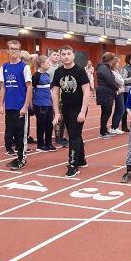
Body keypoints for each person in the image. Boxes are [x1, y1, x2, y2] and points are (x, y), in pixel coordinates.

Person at [51, 45, 90, 177]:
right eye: (63, 54)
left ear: (73, 55)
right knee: (75, 133)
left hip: (78, 107)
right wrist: (57, 112)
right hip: (66, 107)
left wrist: (82, 112)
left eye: (68, 54)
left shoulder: (80, 71)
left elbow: (86, 91)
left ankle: (73, 164)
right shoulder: (58, 72)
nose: (66, 56)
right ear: (60, 56)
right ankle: (81, 160)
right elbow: (55, 92)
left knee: (73, 135)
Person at [0, 40, 32, 169]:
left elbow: (29, 87)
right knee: (11, 131)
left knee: (21, 134)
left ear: (20, 51)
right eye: (11, 49)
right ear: (7, 50)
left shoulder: (24, 67)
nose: (14, 51)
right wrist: (1, 105)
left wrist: (25, 106)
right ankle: (17, 157)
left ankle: (22, 159)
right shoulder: (4, 67)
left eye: (16, 49)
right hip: (9, 106)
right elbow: (3, 87)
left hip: (20, 107)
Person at [31, 55, 56, 152]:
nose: (49, 65)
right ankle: (40, 145)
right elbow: (31, 90)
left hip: (48, 103)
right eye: (47, 63)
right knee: (41, 124)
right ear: (42, 64)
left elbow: (50, 90)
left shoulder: (47, 75)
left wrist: (53, 102)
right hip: (40, 104)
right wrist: (31, 103)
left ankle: (48, 143)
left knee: (49, 124)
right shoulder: (36, 76)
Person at [47, 49, 68, 147]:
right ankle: (57, 137)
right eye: (54, 55)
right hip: (51, 93)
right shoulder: (47, 67)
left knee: (63, 115)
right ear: (50, 56)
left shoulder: (61, 67)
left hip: (61, 93)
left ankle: (61, 135)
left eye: (57, 55)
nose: (56, 56)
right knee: (56, 115)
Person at [96, 52, 118, 139]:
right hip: (105, 92)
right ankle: (103, 132)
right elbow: (110, 80)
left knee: (106, 112)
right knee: (106, 112)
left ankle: (104, 130)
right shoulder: (104, 68)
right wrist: (117, 88)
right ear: (110, 60)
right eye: (113, 60)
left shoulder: (104, 67)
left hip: (105, 92)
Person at [121, 52, 131, 132]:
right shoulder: (125, 68)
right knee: (126, 109)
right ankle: (124, 126)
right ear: (128, 59)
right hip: (127, 91)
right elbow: (123, 80)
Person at [110, 56, 126, 135]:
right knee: (120, 109)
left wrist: (122, 80)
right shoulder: (113, 72)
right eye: (117, 63)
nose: (118, 64)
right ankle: (114, 127)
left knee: (118, 109)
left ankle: (114, 127)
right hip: (118, 92)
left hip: (121, 91)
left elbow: (122, 80)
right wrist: (122, 80)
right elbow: (121, 81)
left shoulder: (116, 71)